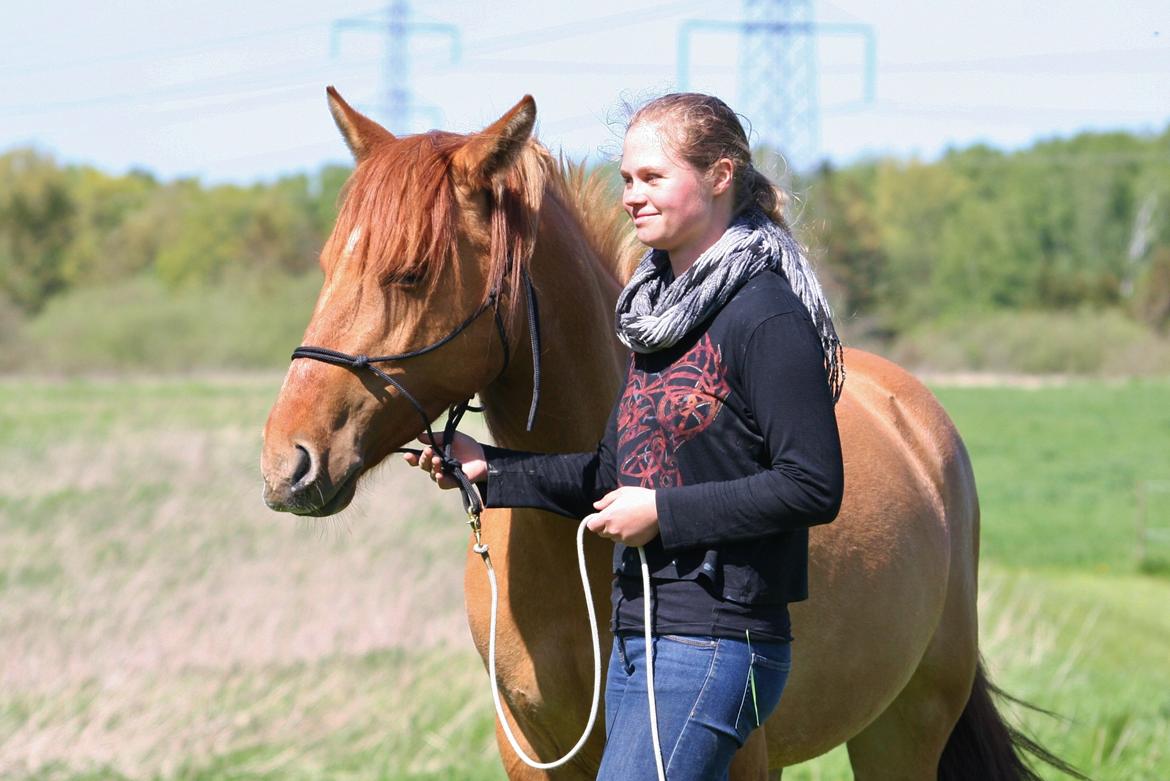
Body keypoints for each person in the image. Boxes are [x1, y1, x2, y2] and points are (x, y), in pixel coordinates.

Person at [405, 92, 845, 781]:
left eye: (652, 177)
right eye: (626, 180)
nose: (631, 196)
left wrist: (662, 514)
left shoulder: (766, 315)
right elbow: (611, 477)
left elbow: (813, 483)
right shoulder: (655, 322)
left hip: (718, 643)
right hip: (642, 636)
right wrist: (492, 467)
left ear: (721, 176)